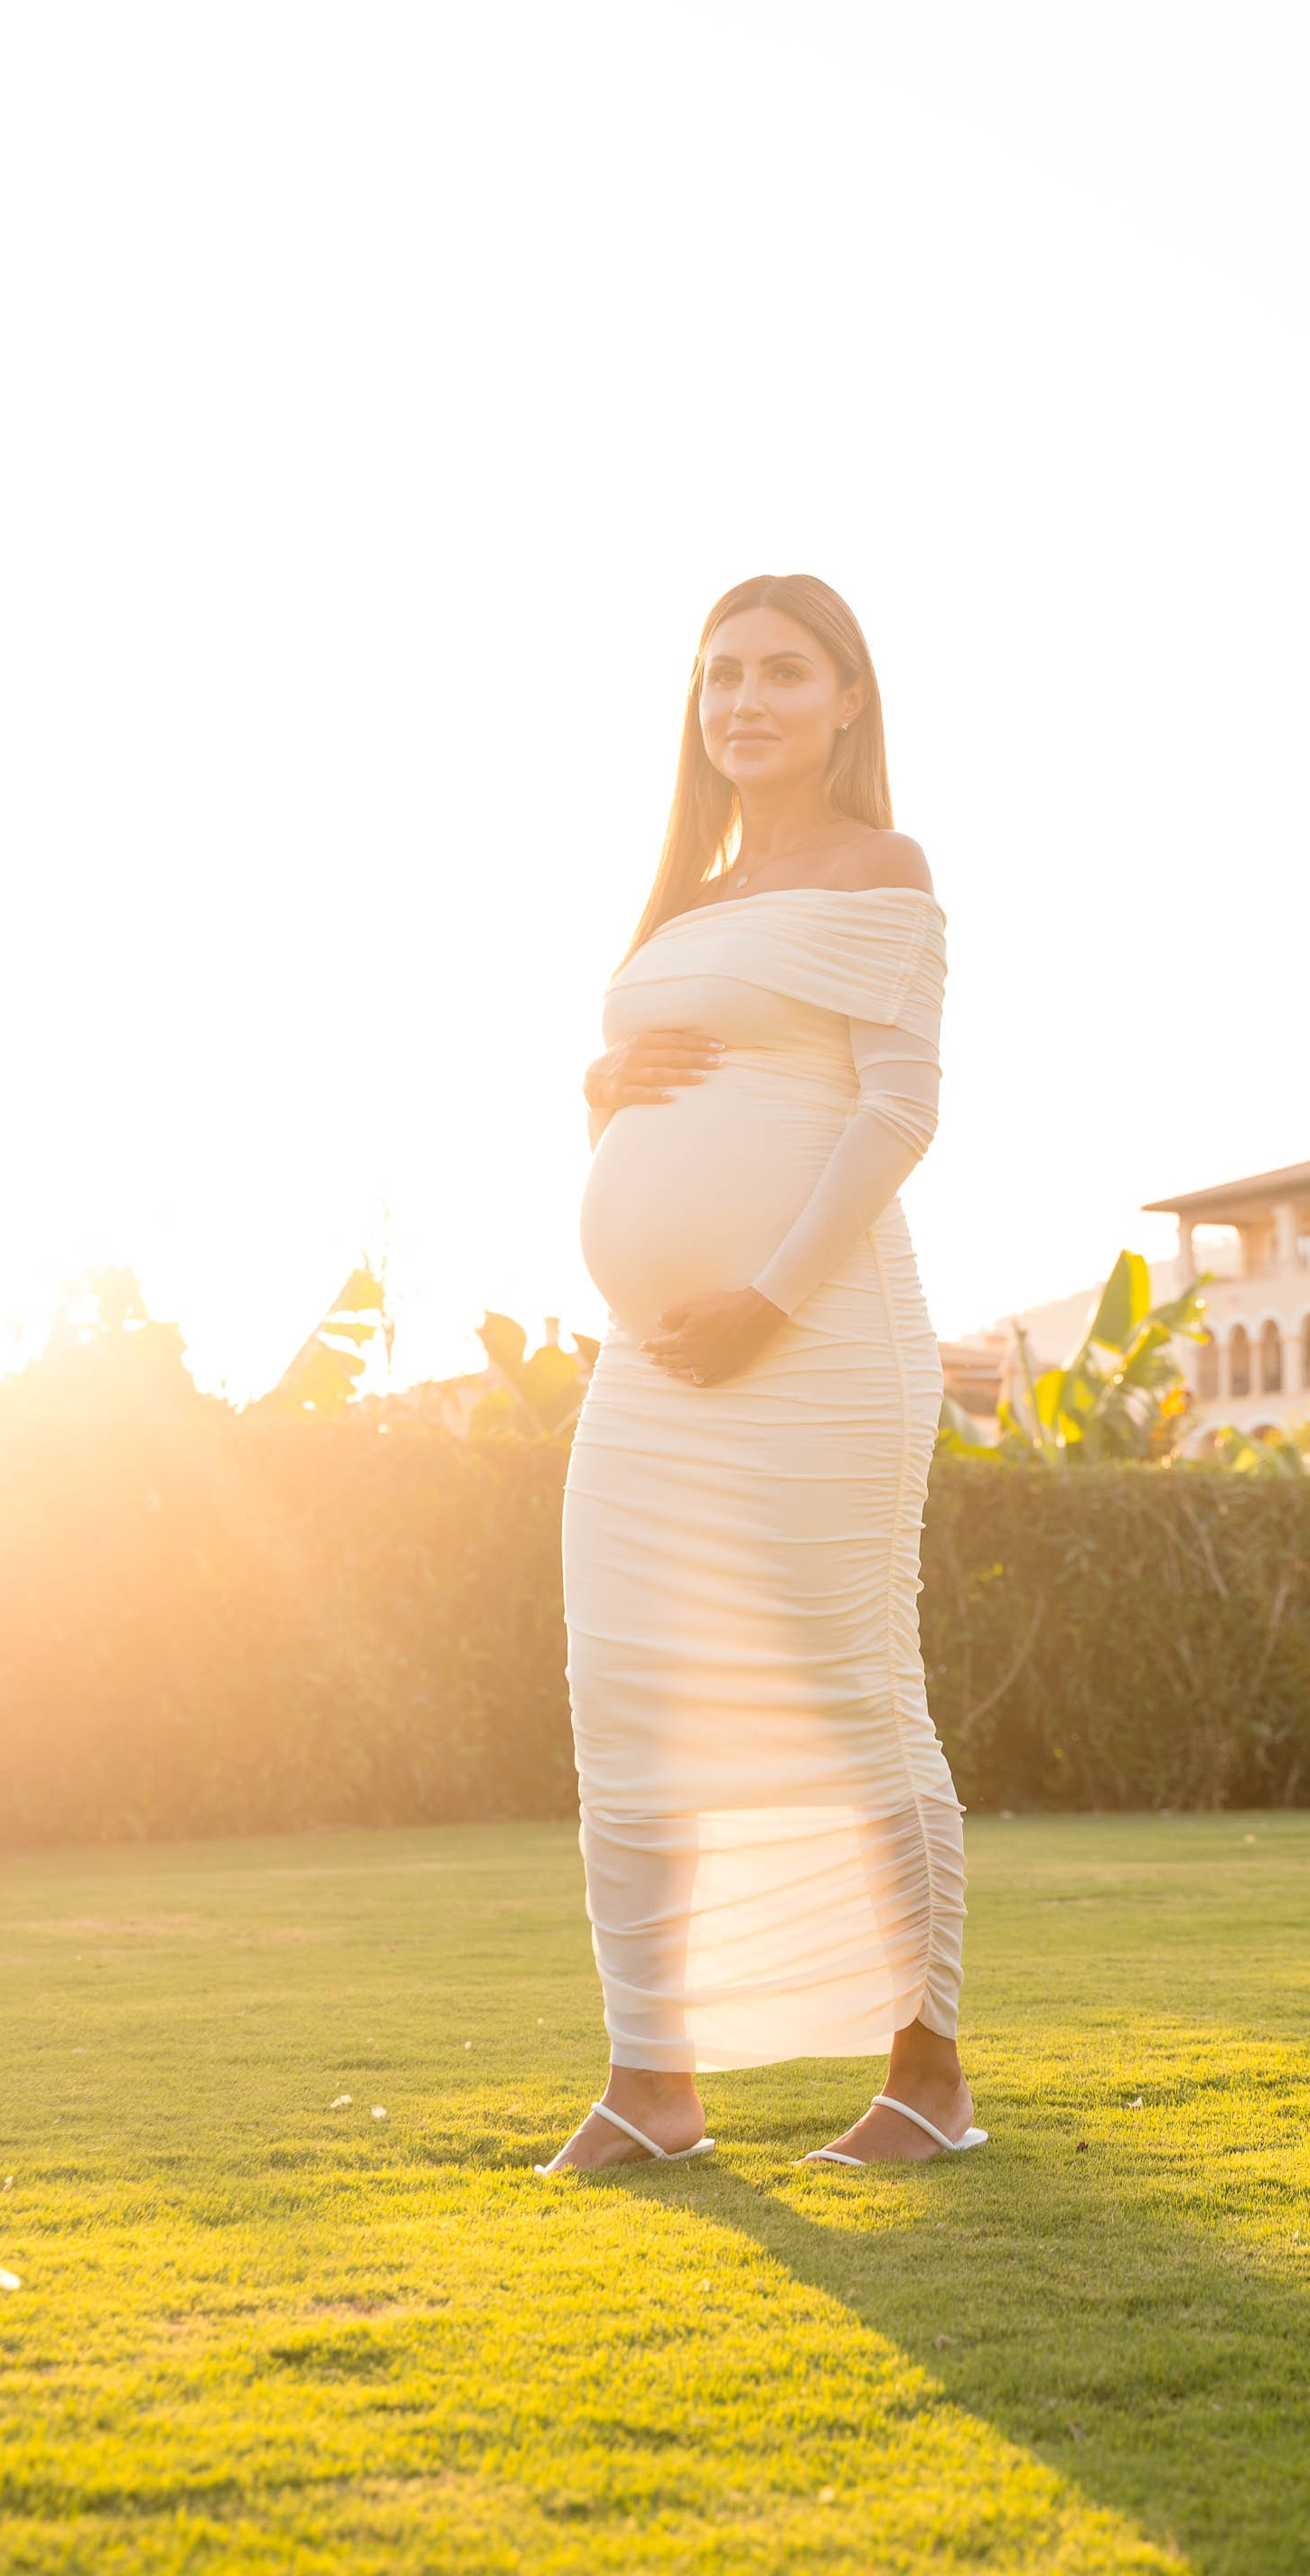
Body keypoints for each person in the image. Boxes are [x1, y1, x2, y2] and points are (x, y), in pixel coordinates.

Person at [537, 574, 981, 2175]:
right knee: (627, 1696)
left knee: (854, 1696)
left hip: (816, 1347)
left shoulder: (886, 871)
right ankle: (653, 2083)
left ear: (847, 698)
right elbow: (657, 1111)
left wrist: (768, 1300)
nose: (745, 701)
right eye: (721, 674)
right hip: (650, 1369)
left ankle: (928, 2078)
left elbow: (897, 1115)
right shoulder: (682, 900)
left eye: (783, 672)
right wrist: (600, 1086)